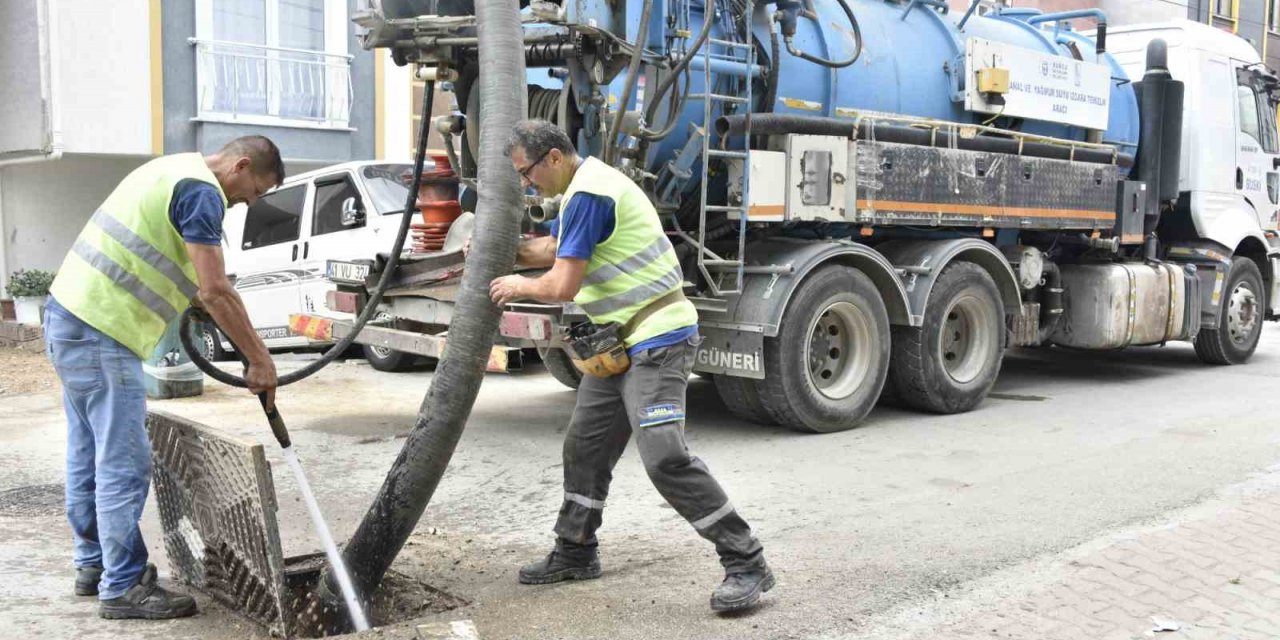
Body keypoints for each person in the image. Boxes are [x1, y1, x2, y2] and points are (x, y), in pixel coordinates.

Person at [485, 119, 774, 612]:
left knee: (664, 455)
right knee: (585, 447)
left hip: (658, 341)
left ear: (554, 157)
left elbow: (560, 285)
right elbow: (555, 248)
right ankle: (575, 551)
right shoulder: (584, 189)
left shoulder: (590, 194)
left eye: (526, 172)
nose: (526, 183)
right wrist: (496, 249)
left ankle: (747, 561)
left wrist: (516, 283)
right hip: (620, 345)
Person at [43, 136, 284, 620]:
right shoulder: (201, 193)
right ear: (240, 165)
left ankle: (94, 566)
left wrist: (197, 302)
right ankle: (124, 585)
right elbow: (215, 289)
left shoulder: (172, 168)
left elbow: (185, 278)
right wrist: (259, 359)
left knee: (87, 455)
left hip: (68, 317)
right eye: (256, 190)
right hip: (103, 332)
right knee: (123, 465)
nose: (250, 202)